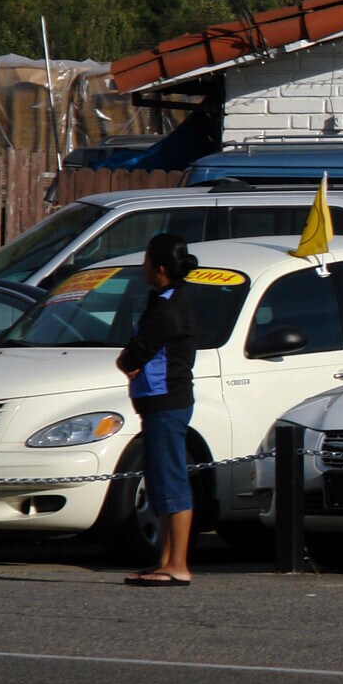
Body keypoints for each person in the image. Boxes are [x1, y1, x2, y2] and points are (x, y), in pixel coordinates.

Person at [115, 233, 199, 586]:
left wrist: (127, 360)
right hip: (155, 404)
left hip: (167, 402)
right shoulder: (163, 299)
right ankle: (164, 560)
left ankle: (178, 564)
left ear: (160, 268)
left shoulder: (169, 308)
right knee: (161, 483)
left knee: (172, 480)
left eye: (147, 261)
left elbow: (137, 351)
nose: (143, 267)